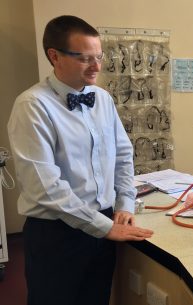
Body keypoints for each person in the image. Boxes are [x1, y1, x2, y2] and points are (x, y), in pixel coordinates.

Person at [7, 15, 154, 305]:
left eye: (99, 56)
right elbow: (44, 187)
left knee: (96, 298)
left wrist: (124, 202)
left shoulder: (102, 98)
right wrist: (106, 227)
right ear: (54, 56)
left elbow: (123, 154)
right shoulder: (32, 106)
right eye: (84, 58)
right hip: (57, 234)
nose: (97, 66)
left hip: (104, 224)